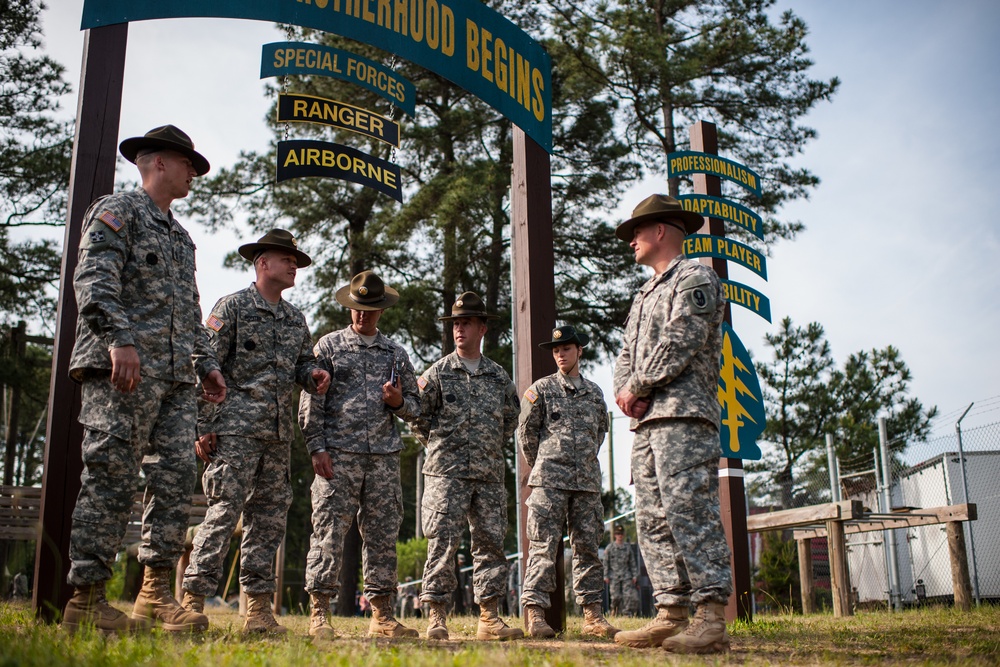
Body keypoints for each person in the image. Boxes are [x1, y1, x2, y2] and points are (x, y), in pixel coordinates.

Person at [62, 125, 228, 634]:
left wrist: (207, 363)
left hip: (176, 381)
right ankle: (86, 599)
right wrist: (120, 340)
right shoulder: (118, 213)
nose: (194, 174)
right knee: (110, 474)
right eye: (188, 165)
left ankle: (155, 594)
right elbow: (92, 279)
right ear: (158, 163)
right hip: (123, 370)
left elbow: (191, 309)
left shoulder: (181, 237)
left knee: (174, 481)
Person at [179, 229, 331, 634]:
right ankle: (192, 599)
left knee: (268, 522)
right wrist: (202, 425)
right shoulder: (232, 308)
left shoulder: (295, 318)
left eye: (295, 259)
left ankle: (258, 612)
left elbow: (303, 363)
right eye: (287, 258)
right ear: (263, 263)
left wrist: (313, 374)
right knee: (223, 514)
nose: (294, 264)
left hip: (278, 436)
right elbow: (203, 359)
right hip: (233, 433)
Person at [611, 194, 732, 654]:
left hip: (683, 416)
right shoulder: (643, 295)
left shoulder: (696, 277)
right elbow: (625, 355)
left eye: (636, 233)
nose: (631, 243)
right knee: (652, 518)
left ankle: (710, 616)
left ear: (660, 230)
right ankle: (670, 612)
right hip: (646, 423)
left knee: (689, 511)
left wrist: (637, 385)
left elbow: (683, 339)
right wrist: (627, 393)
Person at [299, 271, 420, 639]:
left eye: (368, 310)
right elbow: (311, 399)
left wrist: (398, 402)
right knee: (329, 532)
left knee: (383, 534)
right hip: (338, 454)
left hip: (383, 457)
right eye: (356, 309)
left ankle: (382, 615)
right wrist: (316, 446)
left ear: (381, 310)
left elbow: (416, 406)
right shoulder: (329, 347)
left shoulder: (395, 354)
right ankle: (320, 612)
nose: (361, 316)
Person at [413, 292, 523, 641]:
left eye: (466, 323)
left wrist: (487, 447)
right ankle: (436, 616)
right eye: (455, 324)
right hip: (446, 474)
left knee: (490, 543)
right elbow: (418, 419)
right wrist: (442, 449)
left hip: (488, 475)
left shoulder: (497, 376)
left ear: (482, 328)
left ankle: (489, 617)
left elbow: (511, 417)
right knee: (442, 543)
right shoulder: (438, 374)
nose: (459, 330)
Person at [517, 325, 618, 639]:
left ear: (579, 351)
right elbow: (526, 435)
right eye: (556, 350)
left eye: (566, 349)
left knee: (588, 549)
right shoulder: (541, 390)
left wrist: (581, 462)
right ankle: (534, 614)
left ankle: (592, 616)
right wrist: (546, 466)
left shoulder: (595, 393)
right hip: (549, 481)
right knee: (542, 548)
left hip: (586, 483)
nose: (560, 354)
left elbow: (600, 433)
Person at [603, 524, 638, 616]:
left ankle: (627, 614)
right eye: (618, 534)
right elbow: (606, 563)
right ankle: (614, 612)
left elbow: (632, 562)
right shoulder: (610, 548)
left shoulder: (628, 547)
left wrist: (634, 575)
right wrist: (605, 575)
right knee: (615, 597)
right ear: (615, 535)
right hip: (614, 575)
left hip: (626, 575)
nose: (620, 536)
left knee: (628, 596)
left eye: (621, 534)